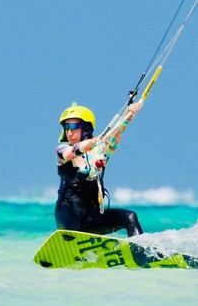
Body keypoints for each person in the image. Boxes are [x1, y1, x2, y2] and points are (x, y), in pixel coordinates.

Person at [54, 101, 143, 237]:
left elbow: (116, 133)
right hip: (68, 216)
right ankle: (70, 243)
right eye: (66, 128)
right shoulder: (62, 150)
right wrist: (93, 141)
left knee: (129, 216)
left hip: (91, 218)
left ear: (87, 128)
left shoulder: (100, 151)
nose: (69, 132)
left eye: (74, 127)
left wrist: (129, 113)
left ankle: (140, 252)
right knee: (73, 216)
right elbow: (72, 152)